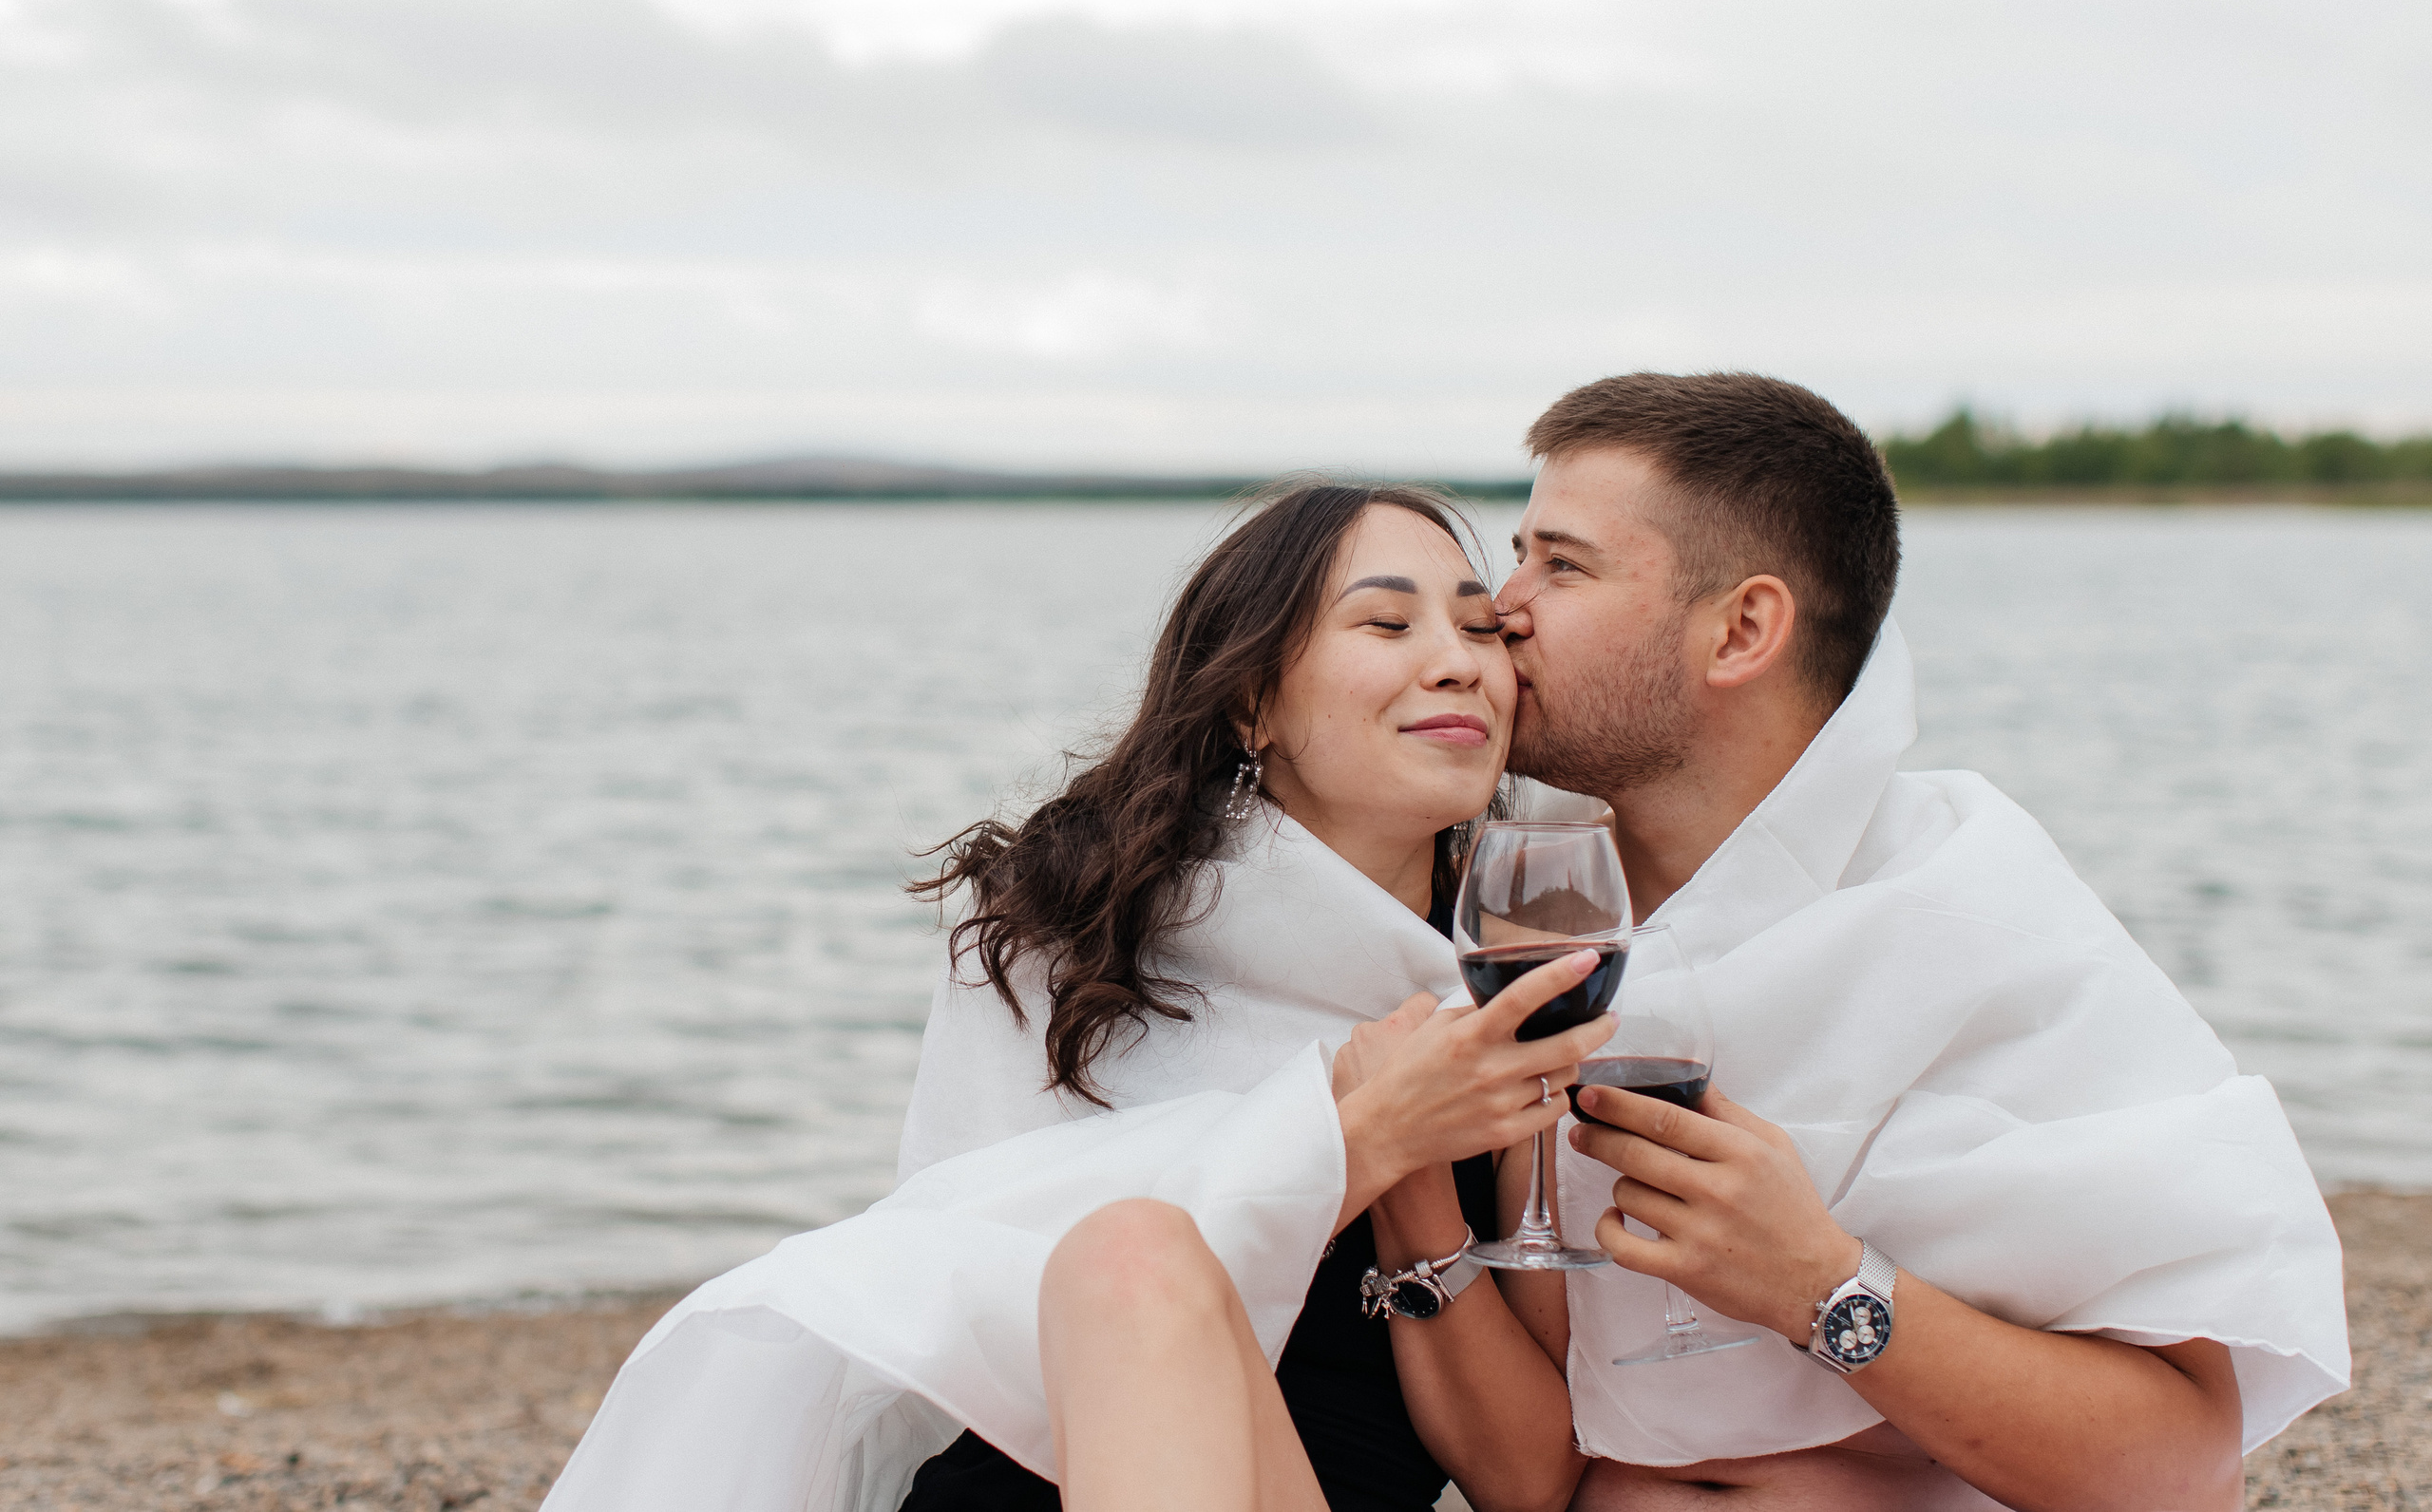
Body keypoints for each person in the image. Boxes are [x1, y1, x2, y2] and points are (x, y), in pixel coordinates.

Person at [540, 482, 1606, 1512]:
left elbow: (1529, 1480)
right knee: (1127, 1253)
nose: (1457, 665)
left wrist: (1413, 1189)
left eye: (1481, 632)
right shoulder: (1072, 929)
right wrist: (1352, 1140)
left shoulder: (1513, 998)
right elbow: (955, 1298)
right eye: (1385, 624)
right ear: (1251, 701)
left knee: (1132, 1244)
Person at [1467, 372, 2348, 1511]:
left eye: (1562, 565)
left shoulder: (1967, 914)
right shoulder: (1490, 901)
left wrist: (1817, 1284)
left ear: (1742, 629)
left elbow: (2181, 1470)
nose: (1502, 604)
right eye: (1517, 552)